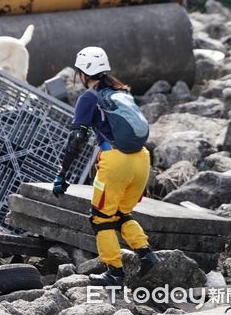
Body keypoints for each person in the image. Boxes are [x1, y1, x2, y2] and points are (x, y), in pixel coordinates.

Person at [52, 46, 160, 286]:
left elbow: (77, 139)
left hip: (116, 161)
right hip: (141, 158)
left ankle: (114, 273)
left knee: (101, 218)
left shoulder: (89, 98)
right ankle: (146, 253)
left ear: (83, 73)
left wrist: (62, 173)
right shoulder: (122, 91)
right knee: (121, 213)